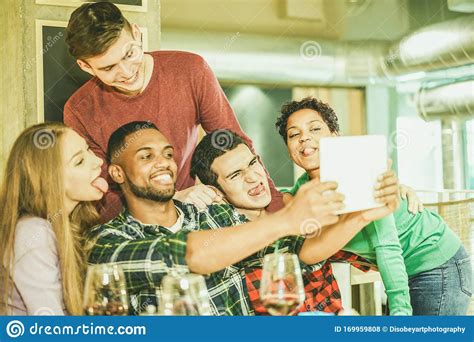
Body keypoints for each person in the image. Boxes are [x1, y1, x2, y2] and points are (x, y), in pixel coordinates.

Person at [86, 121, 396, 315]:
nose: (164, 163)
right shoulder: (106, 242)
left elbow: (299, 254)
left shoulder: (214, 214)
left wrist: (362, 216)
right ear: (117, 172)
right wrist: (286, 218)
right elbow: (184, 254)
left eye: (168, 154)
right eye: (146, 156)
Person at [63, 1, 283, 222]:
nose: (127, 72)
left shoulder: (190, 70)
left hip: (192, 217)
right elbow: (99, 189)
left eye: (129, 54)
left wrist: (280, 215)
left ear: (137, 35)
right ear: (86, 67)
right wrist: (171, 201)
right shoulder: (80, 110)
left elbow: (236, 146)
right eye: (109, 68)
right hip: (127, 228)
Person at [275, 97, 472, 315]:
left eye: (315, 129)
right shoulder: (301, 193)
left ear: (335, 136)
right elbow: (281, 207)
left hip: (438, 264)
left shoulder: (361, 175)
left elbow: (387, 246)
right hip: (406, 271)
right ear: (288, 148)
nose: (305, 138)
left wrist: (400, 311)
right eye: (294, 134)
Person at [190, 129, 420, 314]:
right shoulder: (218, 227)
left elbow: (319, 246)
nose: (253, 177)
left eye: (252, 164)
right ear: (215, 190)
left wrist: (380, 192)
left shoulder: (294, 201)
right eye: (235, 175)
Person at [0, 123, 107, 315]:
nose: (97, 161)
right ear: (49, 180)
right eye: (79, 161)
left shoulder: (61, 225)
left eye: (88, 149)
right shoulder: (33, 232)